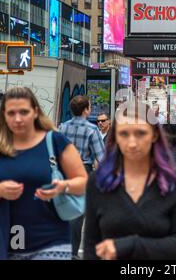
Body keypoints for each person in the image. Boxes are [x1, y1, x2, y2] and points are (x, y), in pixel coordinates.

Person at [0, 87, 88, 260]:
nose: (18, 119)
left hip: (51, 242)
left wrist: (62, 186)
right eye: (11, 113)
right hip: (4, 242)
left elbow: (83, 182)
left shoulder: (55, 141)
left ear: (35, 112)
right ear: (3, 115)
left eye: (24, 112)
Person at [83, 101, 176, 260]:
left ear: (154, 135)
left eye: (140, 133)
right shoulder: (99, 182)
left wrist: (129, 246)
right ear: (115, 137)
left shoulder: (175, 183)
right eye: (124, 134)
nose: (132, 143)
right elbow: (91, 249)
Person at [58, 95, 105, 259]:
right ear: (86, 110)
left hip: (63, 171)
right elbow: (102, 157)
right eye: (89, 107)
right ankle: (71, 252)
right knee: (77, 214)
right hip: (82, 171)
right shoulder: (92, 130)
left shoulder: (62, 127)